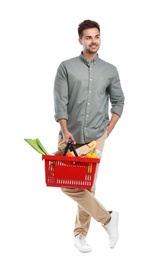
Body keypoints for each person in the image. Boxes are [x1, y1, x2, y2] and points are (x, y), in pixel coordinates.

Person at [53, 19, 125, 253]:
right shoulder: (66, 67)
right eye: (88, 37)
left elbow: (119, 101)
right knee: (66, 183)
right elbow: (60, 101)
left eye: (97, 36)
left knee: (87, 186)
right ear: (80, 40)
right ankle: (107, 219)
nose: (93, 41)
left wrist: (108, 130)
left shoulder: (110, 70)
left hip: (96, 136)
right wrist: (65, 130)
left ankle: (80, 235)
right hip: (70, 135)